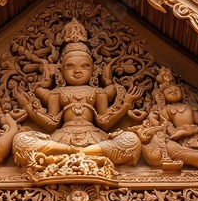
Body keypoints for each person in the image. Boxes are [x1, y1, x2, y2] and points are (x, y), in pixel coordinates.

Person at [13, 19, 143, 168]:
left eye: (85, 66)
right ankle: (79, 153)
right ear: (60, 70)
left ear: (94, 70)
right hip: (61, 138)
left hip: (95, 138)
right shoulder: (57, 93)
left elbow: (105, 122)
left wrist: (127, 102)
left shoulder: (98, 92)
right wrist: (27, 106)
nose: (77, 71)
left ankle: (73, 154)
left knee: (131, 139)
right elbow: (51, 123)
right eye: (70, 66)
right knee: (20, 140)